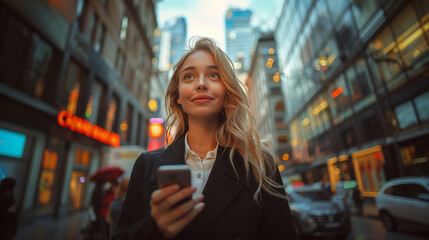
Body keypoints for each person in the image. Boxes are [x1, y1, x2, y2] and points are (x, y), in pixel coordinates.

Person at [113, 37, 297, 240]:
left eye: (213, 75)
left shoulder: (260, 165)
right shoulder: (146, 165)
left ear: (227, 92)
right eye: (189, 76)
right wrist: (154, 227)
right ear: (178, 96)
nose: (201, 84)